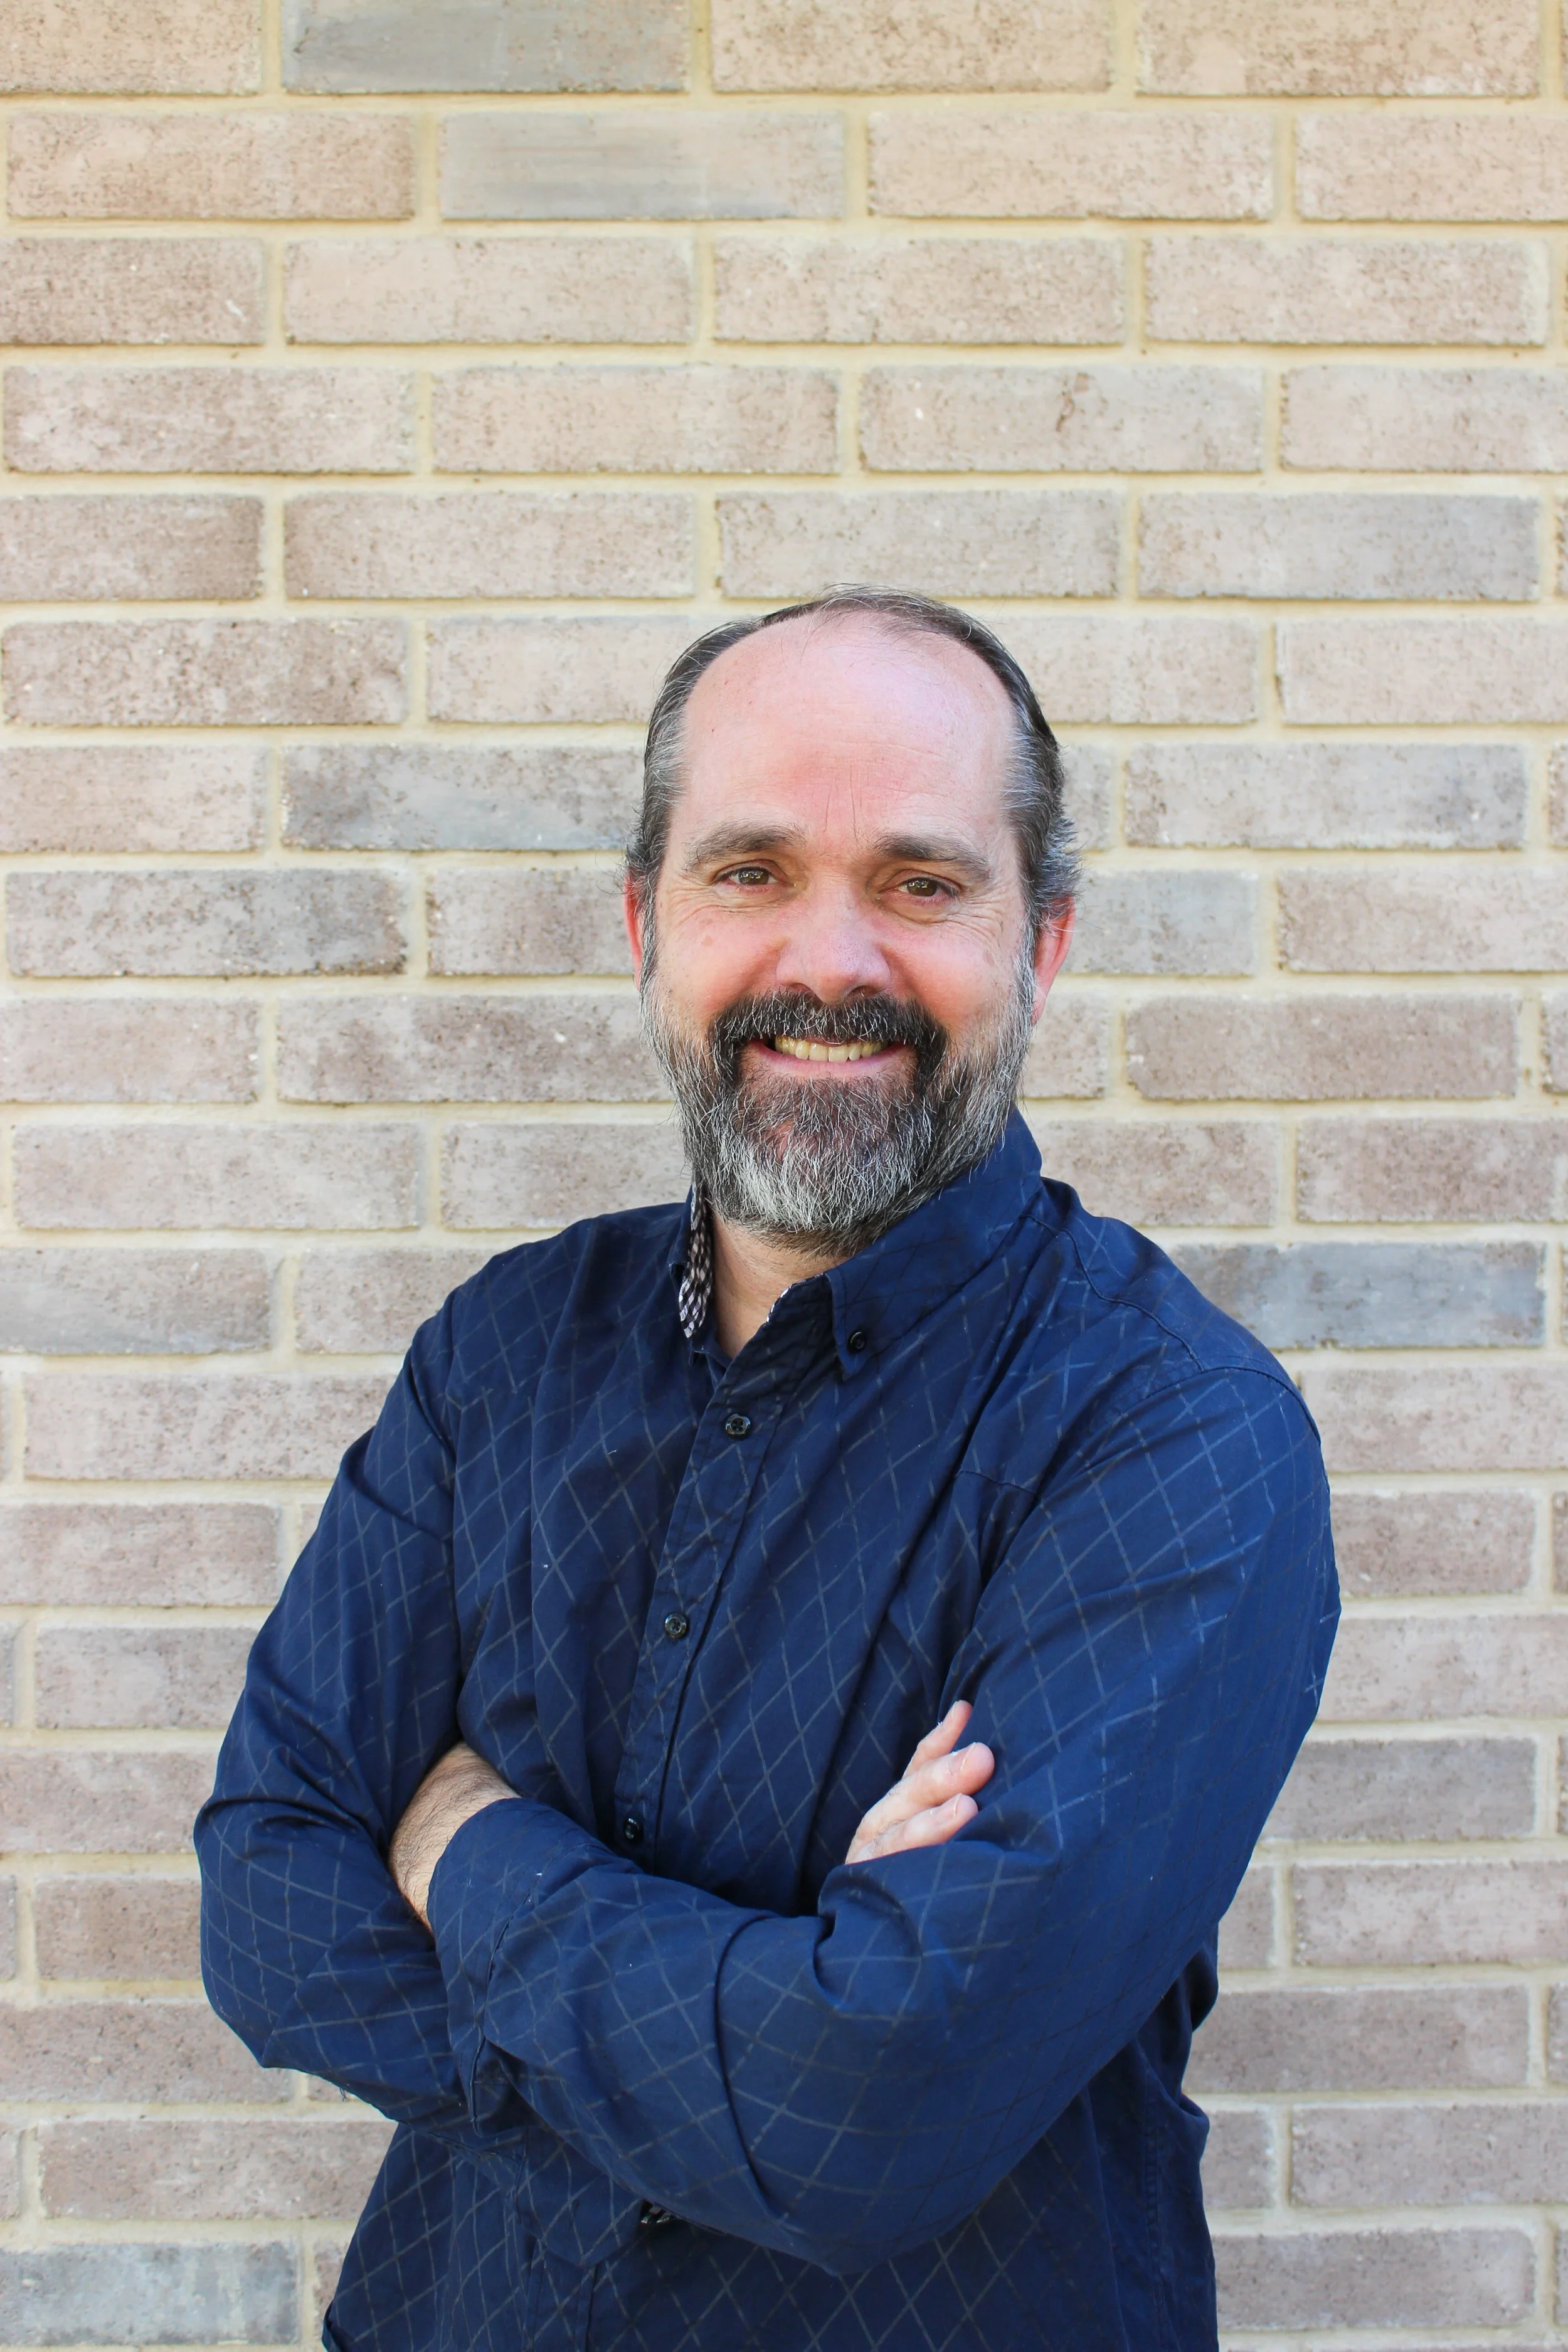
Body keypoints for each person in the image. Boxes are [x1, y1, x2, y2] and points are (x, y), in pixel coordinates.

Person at [198, 586, 1338, 2352]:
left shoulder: (1171, 1435)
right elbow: (266, 1900)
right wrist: (768, 2017)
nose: (830, 961)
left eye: (920, 881)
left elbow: (867, 2116)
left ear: (1039, 942)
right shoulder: (505, 1349)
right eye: (748, 871)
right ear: (648, 923)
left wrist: (459, 1835)